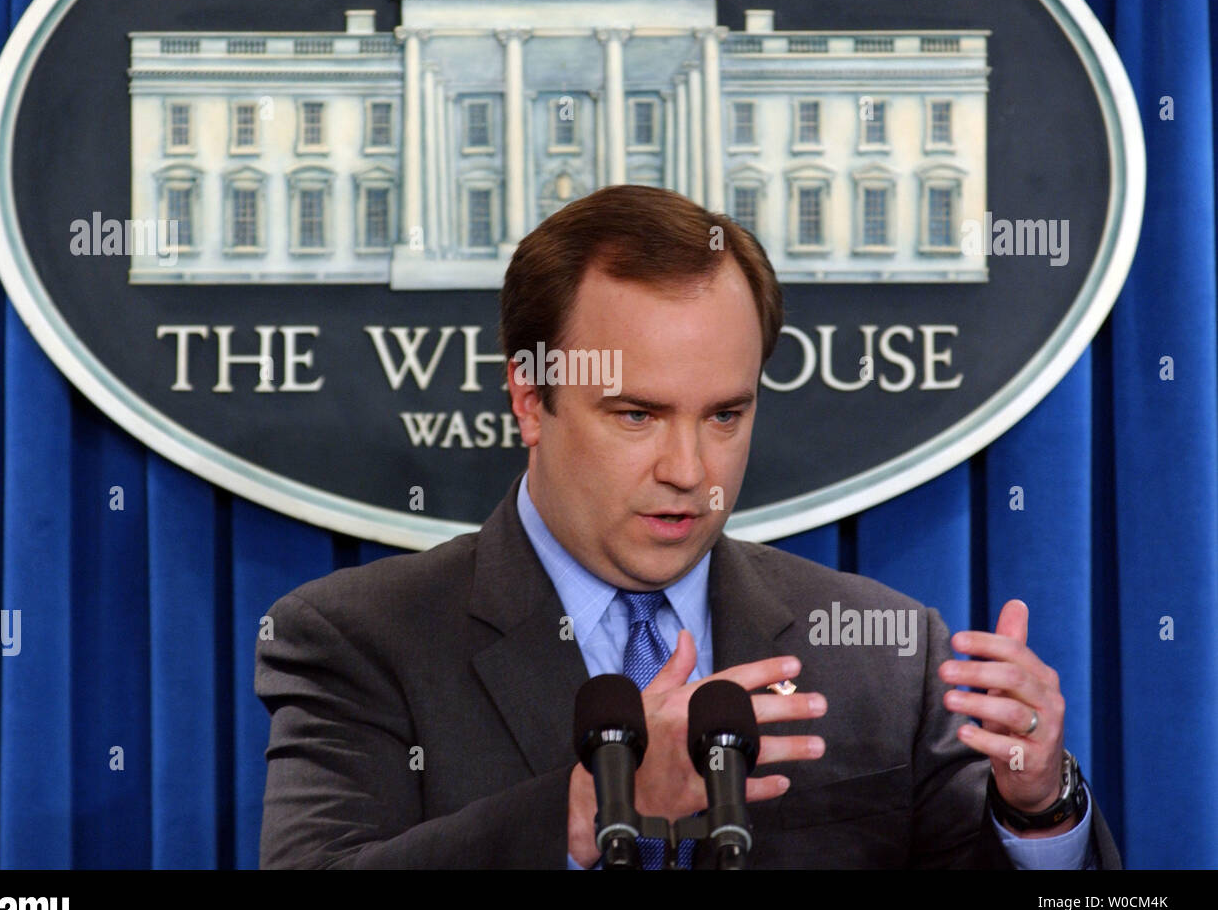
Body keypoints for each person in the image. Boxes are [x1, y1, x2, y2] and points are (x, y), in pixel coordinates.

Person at [255, 185, 1120, 869]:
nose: (690, 470)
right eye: (636, 414)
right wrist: (591, 811)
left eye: (725, 414)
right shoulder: (360, 639)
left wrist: (1040, 810)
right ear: (530, 399)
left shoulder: (886, 655)